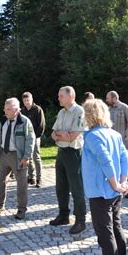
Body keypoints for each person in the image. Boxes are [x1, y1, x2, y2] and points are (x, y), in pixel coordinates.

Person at [82, 99, 128, 255]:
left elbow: (106, 161)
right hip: (114, 191)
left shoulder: (92, 136)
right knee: (116, 226)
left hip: (101, 191)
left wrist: (116, 184)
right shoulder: (114, 134)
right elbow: (125, 157)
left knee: (105, 232)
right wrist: (123, 182)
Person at [50, 86, 87, 234]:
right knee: (61, 187)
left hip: (74, 153)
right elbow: (53, 134)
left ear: (71, 96)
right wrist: (61, 134)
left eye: (61, 96)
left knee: (76, 187)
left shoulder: (79, 112)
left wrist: (62, 134)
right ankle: (63, 215)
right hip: (62, 152)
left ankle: (80, 220)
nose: (58, 98)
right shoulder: (61, 112)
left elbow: (73, 136)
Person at [0, 97, 35, 220]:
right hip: (3, 155)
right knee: (1, 181)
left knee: (21, 184)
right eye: (5, 109)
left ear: (16, 109)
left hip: (18, 156)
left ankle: (21, 209)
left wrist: (26, 157)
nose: (5, 111)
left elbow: (30, 140)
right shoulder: (2, 120)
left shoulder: (24, 122)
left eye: (8, 109)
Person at [21, 92, 45, 187]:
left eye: (28, 100)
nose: (27, 102)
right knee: (28, 158)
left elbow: (42, 125)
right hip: (26, 138)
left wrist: (36, 136)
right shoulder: (22, 111)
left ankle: (39, 178)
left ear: (32, 99)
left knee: (36, 157)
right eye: (25, 101)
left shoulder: (38, 109)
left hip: (35, 137)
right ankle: (32, 177)